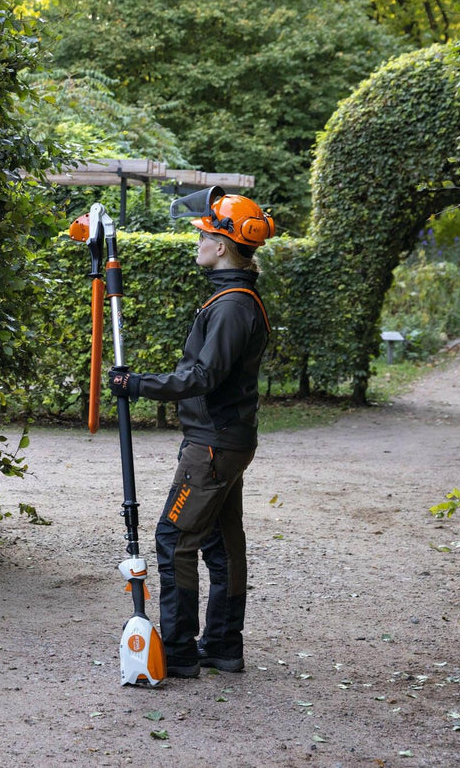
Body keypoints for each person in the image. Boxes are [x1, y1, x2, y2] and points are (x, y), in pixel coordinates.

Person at [107, 192, 276, 679]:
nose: (198, 241)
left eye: (205, 234)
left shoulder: (231, 306)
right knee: (221, 546)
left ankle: (179, 651)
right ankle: (223, 646)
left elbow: (204, 377)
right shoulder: (234, 299)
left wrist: (136, 385)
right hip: (225, 441)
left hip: (212, 445)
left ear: (223, 245)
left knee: (174, 538)